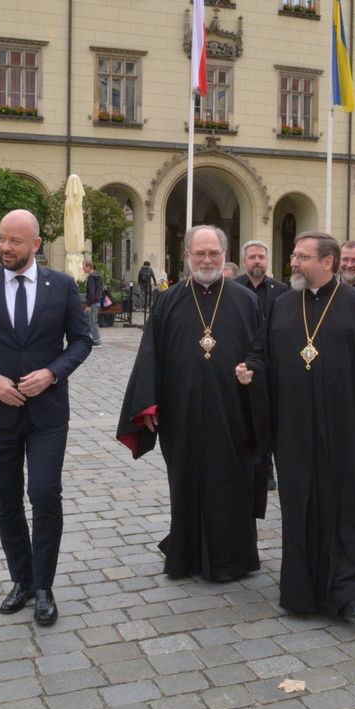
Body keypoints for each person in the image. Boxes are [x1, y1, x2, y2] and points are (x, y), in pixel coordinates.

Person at [236, 232, 355, 620]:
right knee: (299, 510)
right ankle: (301, 592)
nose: (294, 264)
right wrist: (252, 372)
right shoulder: (283, 305)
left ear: (327, 263)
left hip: (345, 432)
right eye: (295, 256)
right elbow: (260, 353)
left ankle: (350, 594)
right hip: (294, 432)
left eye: (302, 257)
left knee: (347, 512)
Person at [0, 209, 92, 625]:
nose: (4, 248)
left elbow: (81, 340)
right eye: (1, 238)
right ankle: (22, 579)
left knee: (45, 494)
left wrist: (52, 373)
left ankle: (45, 585)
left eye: (14, 241)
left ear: (35, 245)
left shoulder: (61, 286)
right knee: (6, 501)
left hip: (48, 413)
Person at [118, 225, 266, 582]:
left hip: (233, 411)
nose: (206, 260)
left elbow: (262, 352)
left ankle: (233, 559)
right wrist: (148, 405)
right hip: (179, 411)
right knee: (184, 481)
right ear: (186, 256)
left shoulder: (246, 300)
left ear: (225, 255)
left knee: (231, 482)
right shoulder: (169, 300)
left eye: (214, 253)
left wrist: (254, 374)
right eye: (199, 253)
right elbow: (150, 355)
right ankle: (185, 556)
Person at [234, 240, 287, 491]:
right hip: (240, 362)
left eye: (261, 257)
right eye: (253, 257)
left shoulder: (282, 291)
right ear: (244, 261)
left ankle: (267, 470)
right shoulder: (232, 288)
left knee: (268, 417)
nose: (257, 261)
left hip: (272, 364)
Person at [83, 259, 103, 348]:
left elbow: (91, 292)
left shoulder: (91, 278)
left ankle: (97, 341)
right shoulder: (97, 276)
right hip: (96, 302)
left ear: (88, 267)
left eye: (84, 267)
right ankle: (88, 339)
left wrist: (88, 305)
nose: (83, 269)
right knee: (87, 321)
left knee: (92, 322)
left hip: (93, 303)